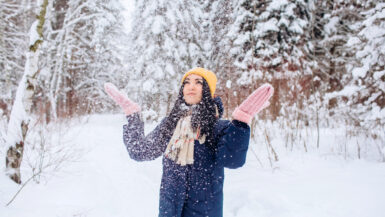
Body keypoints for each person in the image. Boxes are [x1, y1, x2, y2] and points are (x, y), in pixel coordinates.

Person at [104, 67, 274, 217]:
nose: (191, 86)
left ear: (208, 90)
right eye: (186, 82)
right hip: (169, 210)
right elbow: (140, 151)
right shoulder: (170, 124)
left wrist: (240, 122)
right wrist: (133, 116)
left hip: (204, 211)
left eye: (198, 82)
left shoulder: (218, 127)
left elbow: (232, 160)